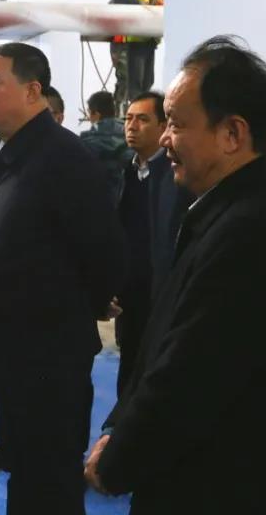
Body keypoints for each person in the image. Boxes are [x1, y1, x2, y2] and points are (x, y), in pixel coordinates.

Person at [85, 36, 266, 515]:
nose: (165, 139)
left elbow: (189, 378)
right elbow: (168, 343)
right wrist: (120, 426)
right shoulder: (225, 211)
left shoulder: (252, 232)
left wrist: (117, 461)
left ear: (232, 134)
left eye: (176, 124)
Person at [0, 42, 125, 514]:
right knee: (27, 472)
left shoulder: (63, 158)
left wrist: (90, 302)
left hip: (50, 360)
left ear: (32, 90)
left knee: (51, 479)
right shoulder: (8, 154)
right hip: (14, 356)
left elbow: (102, 248)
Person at [114, 91, 190, 397]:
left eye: (142, 119)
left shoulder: (177, 176)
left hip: (162, 296)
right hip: (129, 297)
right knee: (128, 370)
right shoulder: (127, 172)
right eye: (128, 119)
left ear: (163, 127)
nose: (132, 126)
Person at [108, 0, 151, 112]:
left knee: (138, 80)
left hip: (131, 48)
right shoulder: (119, 0)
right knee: (126, 78)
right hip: (120, 48)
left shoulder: (136, 3)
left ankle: (130, 109)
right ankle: (121, 110)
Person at [80, 90, 131, 200]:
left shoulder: (86, 140)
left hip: (98, 199)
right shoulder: (130, 133)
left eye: (89, 113)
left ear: (96, 115)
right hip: (129, 197)